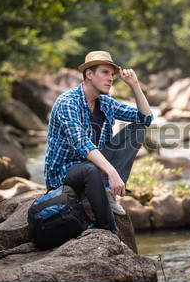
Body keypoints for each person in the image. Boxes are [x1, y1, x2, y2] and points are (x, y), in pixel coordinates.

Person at [44, 50, 153, 235]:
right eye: (105, 72)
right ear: (89, 74)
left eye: (112, 74)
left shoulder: (106, 102)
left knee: (138, 129)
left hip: (92, 166)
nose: (110, 78)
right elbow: (81, 143)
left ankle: (108, 192)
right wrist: (111, 171)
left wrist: (134, 86)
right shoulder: (68, 103)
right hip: (63, 175)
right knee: (90, 169)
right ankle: (109, 228)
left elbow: (146, 118)